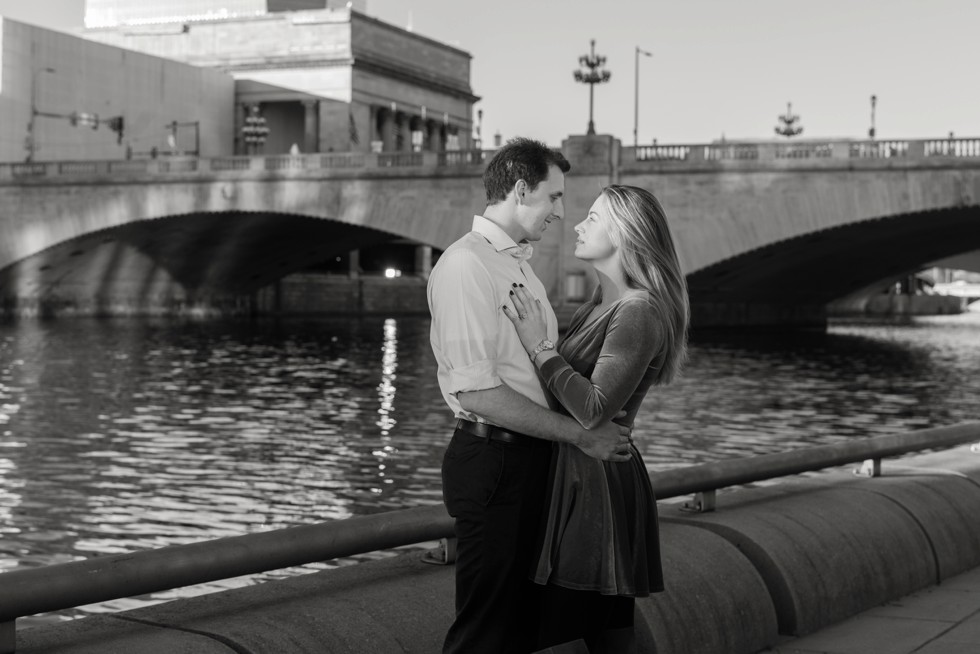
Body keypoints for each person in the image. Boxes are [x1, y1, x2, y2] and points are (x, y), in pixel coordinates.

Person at [427, 138, 634, 654]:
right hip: (495, 461)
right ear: (521, 190)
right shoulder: (467, 266)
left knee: (519, 628)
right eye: (555, 197)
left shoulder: (517, 266)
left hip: (528, 459)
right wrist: (581, 436)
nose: (562, 213)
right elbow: (476, 392)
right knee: (486, 629)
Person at [503, 184, 690, 652]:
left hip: (596, 485)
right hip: (581, 474)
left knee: (582, 625)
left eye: (594, 217)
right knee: (605, 631)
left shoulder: (638, 310)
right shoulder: (599, 303)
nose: (579, 225)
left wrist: (539, 346)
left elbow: (591, 407)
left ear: (626, 233)